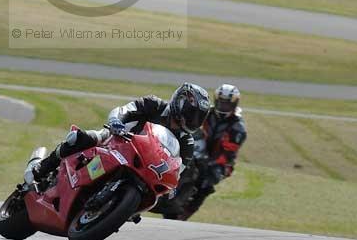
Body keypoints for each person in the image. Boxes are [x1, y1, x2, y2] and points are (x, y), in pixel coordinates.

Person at [31, 82, 211, 184]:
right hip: (116, 141)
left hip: (143, 168)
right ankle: (43, 167)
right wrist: (116, 121)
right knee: (82, 137)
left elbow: (178, 172)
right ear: (179, 104)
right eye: (191, 114)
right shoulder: (153, 104)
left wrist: (172, 187)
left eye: (198, 117)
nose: (193, 120)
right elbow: (123, 110)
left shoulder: (187, 143)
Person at [159, 83, 247, 220]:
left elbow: (228, 152)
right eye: (221, 102)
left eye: (227, 104)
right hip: (199, 150)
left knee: (206, 182)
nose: (223, 106)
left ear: (235, 104)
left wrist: (209, 163)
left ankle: (184, 213)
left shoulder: (238, 127)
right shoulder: (207, 113)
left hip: (220, 161)